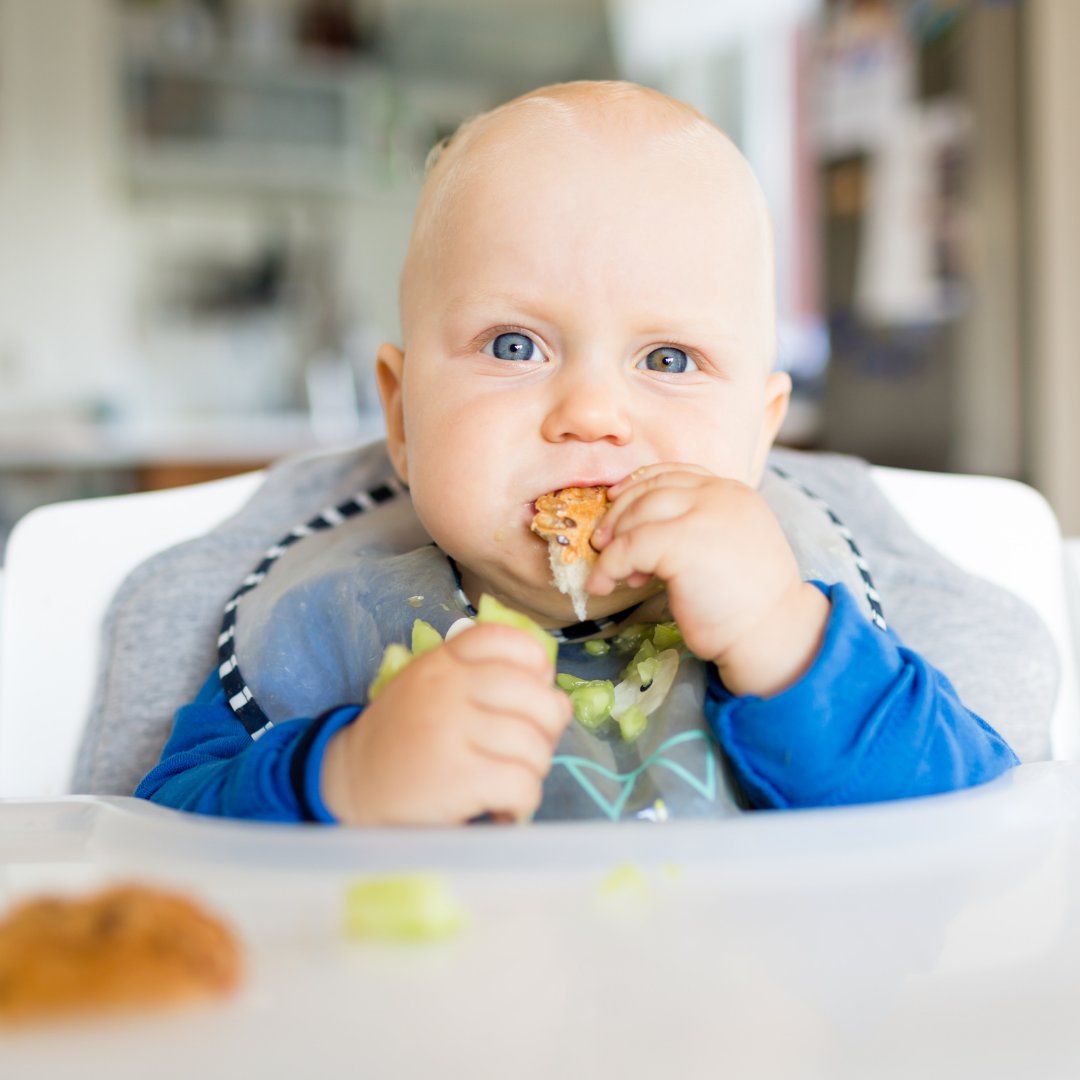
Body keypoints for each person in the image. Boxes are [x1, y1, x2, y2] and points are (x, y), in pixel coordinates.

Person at [133, 80, 1020, 825]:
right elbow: (163, 833)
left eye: (669, 360)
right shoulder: (330, 624)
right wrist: (343, 777)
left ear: (760, 434)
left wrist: (781, 638)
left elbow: (975, 825)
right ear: (402, 421)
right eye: (515, 346)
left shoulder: (810, 620)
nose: (592, 413)